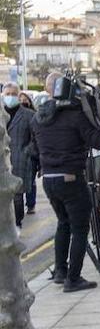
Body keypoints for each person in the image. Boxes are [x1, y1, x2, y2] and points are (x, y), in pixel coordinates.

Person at [28, 75, 100, 291]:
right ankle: (73, 278)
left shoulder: (39, 116)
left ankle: (60, 271)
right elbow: (97, 141)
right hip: (71, 177)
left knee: (63, 223)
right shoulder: (75, 116)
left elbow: (33, 149)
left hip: (49, 179)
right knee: (80, 227)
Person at [4, 83, 36, 228]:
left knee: (17, 197)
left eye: (13, 94)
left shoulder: (29, 115)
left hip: (20, 161)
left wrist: (27, 151)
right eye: (7, 94)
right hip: (2, 163)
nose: (10, 96)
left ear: (18, 95)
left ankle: (17, 224)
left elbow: (36, 138)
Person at [17, 90, 39, 214]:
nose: (22, 102)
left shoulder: (33, 115)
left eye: (25, 99)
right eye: (20, 99)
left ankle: (31, 204)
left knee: (30, 180)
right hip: (16, 155)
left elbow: (36, 137)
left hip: (30, 155)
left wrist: (28, 150)